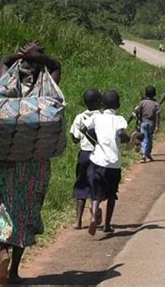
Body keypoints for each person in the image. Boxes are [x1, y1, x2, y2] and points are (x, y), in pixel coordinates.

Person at [0, 41, 61, 284]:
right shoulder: (47, 86)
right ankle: (13, 271)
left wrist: (20, 54)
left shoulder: (8, 85)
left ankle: (3, 250)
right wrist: (38, 57)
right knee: (27, 214)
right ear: (39, 64)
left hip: (10, 162)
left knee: (4, 209)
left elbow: (4, 61)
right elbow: (56, 65)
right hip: (37, 164)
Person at [81, 90, 130, 235]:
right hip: (114, 164)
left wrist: (96, 140)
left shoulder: (96, 117)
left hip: (98, 160)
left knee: (96, 193)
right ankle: (107, 225)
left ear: (102, 104)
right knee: (111, 194)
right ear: (119, 105)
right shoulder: (119, 119)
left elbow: (83, 128)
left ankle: (94, 215)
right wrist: (128, 139)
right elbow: (121, 134)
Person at [70, 88, 102, 230]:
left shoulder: (79, 117)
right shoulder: (101, 117)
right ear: (99, 102)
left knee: (81, 184)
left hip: (84, 155)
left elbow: (74, 139)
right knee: (96, 184)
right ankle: (95, 213)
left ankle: (77, 221)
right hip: (99, 155)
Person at [129, 85, 160, 163]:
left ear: (146, 94)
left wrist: (129, 122)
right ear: (154, 94)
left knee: (144, 139)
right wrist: (157, 126)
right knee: (150, 139)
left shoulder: (142, 103)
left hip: (143, 123)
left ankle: (143, 155)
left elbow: (136, 112)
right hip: (151, 124)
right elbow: (157, 115)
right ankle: (148, 154)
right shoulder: (156, 104)